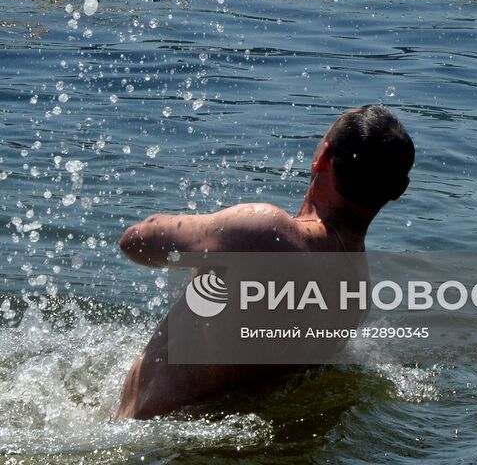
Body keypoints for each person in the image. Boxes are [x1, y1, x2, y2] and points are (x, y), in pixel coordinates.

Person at [115, 104, 414, 419]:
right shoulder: (355, 293)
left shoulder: (267, 234)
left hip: (151, 439)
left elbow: (135, 241)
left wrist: (210, 237)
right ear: (399, 190)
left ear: (322, 157)